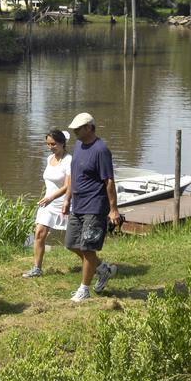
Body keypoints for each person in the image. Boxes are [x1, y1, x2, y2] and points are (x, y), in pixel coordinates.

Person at [62, 112, 122, 303]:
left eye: (78, 129)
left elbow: (109, 181)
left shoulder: (101, 149)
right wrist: (67, 198)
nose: (75, 132)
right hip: (77, 205)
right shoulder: (79, 145)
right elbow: (73, 174)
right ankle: (103, 269)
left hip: (95, 206)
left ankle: (84, 289)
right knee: (71, 243)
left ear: (89, 128)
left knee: (88, 248)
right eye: (74, 129)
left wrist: (113, 209)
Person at [24, 129, 72, 278]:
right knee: (39, 233)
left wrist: (53, 198)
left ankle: (96, 265)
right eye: (48, 144)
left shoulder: (69, 160)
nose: (50, 147)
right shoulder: (49, 158)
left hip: (64, 203)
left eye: (53, 144)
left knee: (75, 242)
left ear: (62, 143)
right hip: (48, 204)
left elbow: (68, 186)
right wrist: (48, 198)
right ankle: (37, 268)